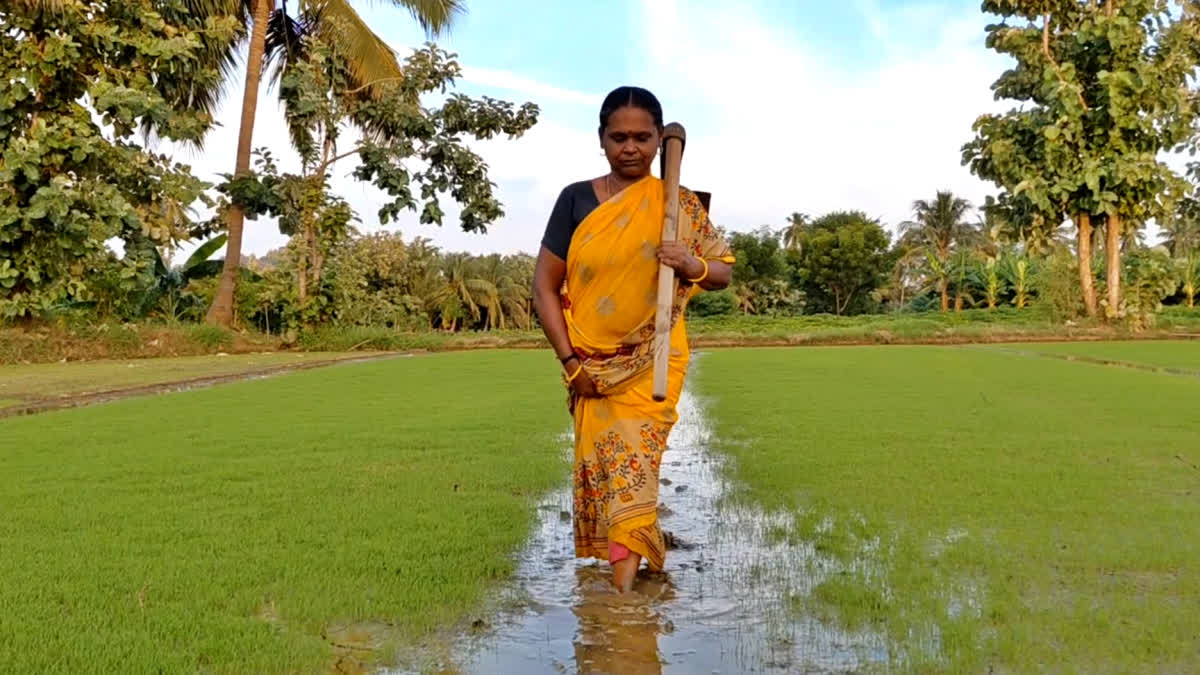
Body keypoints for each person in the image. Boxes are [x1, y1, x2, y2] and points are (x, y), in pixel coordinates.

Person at [531, 85, 735, 594]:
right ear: (601, 139)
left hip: (654, 362)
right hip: (590, 368)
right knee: (611, 475)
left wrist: (692, 264)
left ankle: (621, 601)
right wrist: (571, 363)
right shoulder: (575, 199)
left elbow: (722, 271)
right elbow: (543, 286)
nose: (630, 147)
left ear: (656, 141)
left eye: (642, 137)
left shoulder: (677, 204)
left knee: (634, 473)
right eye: (618, 137)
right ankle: (635, 570)